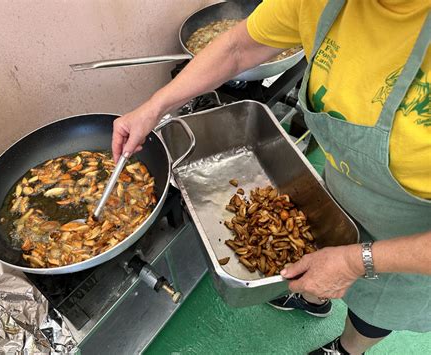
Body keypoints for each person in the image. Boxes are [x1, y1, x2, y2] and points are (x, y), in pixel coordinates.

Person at [112, 0, 431, 354]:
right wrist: (154, 107)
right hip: (346, 186)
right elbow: (237, 47)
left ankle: (348, 349)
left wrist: (357, 261)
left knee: (377, 305)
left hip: (414, 235)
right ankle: (312, 300)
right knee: (319, 255)